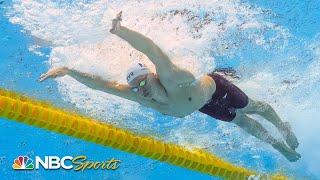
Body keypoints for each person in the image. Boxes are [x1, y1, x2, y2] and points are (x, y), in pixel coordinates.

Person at [39, 11, 300, 162]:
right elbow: (103, 86)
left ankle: (283, 127)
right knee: (244, 124)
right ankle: (278, 145)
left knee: (255, 108)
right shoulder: (144, 99)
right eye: (136, 87)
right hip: (203, 105)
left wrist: (120, 31)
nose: (141, 90)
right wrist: (68, 71)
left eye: (142, 82)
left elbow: (151, 49)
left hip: (214, 88)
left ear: (151, 76)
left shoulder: (170, 76)